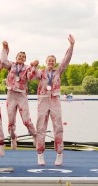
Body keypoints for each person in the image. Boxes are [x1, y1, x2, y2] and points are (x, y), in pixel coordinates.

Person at [35, 34, 75, 166]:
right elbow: (32, 74)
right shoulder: (41, 73)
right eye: (49, 60)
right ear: (46, 62)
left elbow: (66, 60)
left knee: (57, 126)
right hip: (42, 100)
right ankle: (40, 154)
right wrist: (33, 66)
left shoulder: (58, 72)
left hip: (55, 99)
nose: (51, 62)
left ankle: (59, 153)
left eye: (53, 60)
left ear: (55, 62)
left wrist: (71, 46)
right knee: (41, 126)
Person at [0, 41, 39, 150]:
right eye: (19, 56)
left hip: (21, 96)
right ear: (16, 57)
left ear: (25, 59)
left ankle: (35, 135)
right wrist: (5, 48)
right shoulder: (11, 65)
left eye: (23, 57)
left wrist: (34, 67)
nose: (21, 58)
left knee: (26, 120)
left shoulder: (27, 68)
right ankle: (13, 137)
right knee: (11, 121)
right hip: (11, 95)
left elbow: (31, 77)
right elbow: (3, 61)